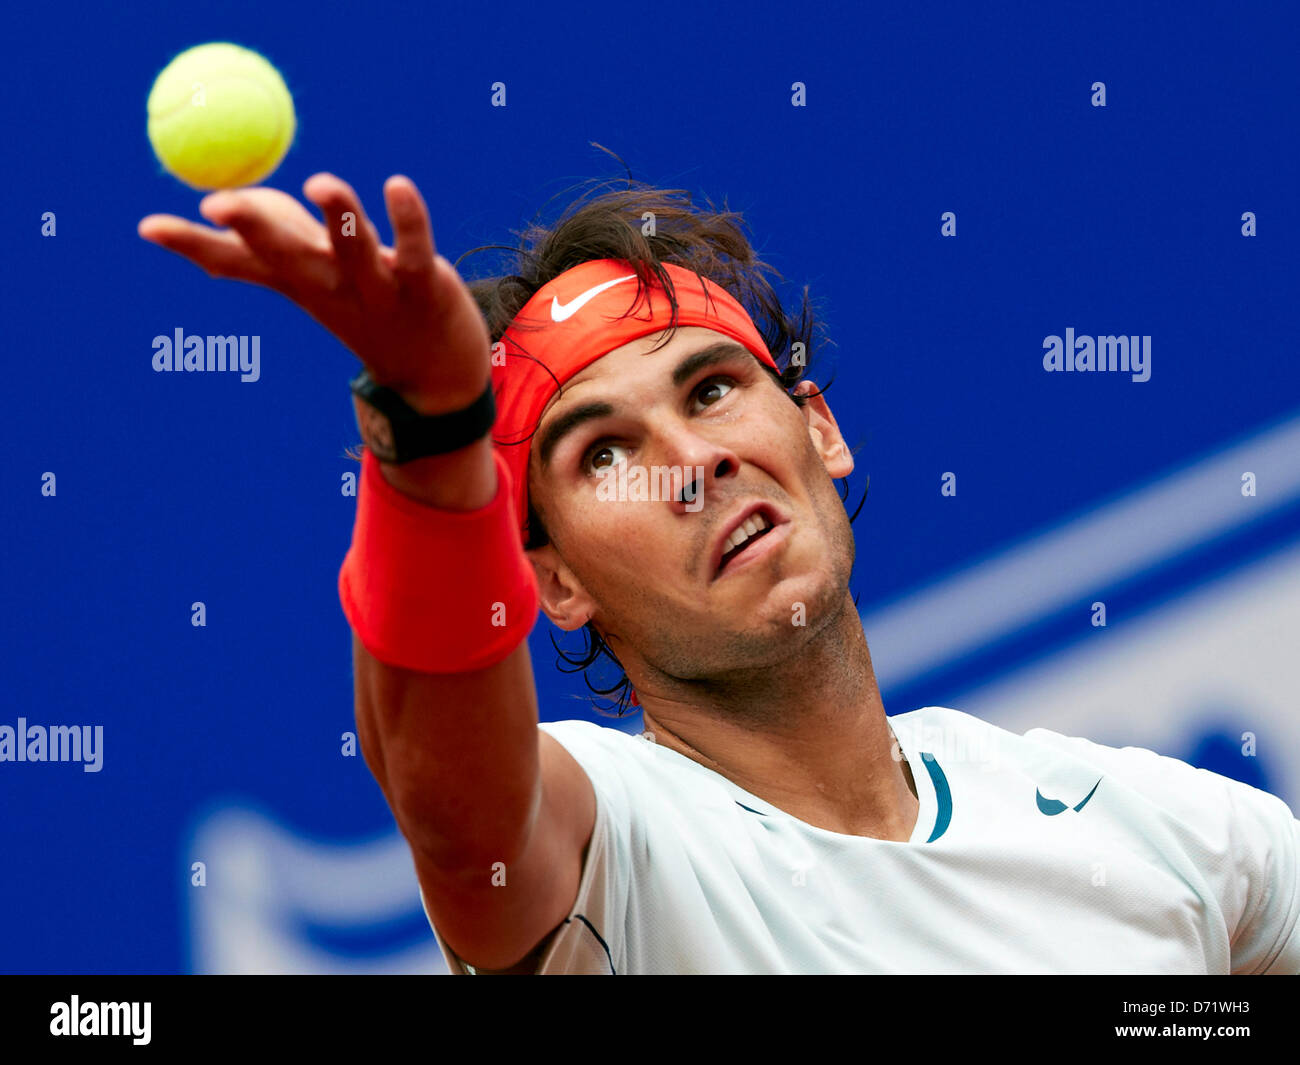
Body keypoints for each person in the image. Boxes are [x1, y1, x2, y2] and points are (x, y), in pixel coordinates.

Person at [139, 170, 1300, 975]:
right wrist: (434, 437)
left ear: (820, 433)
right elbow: (456, 815)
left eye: (709, 390)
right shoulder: (621, 854)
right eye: (604, 453)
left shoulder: (1156, 834)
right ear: (552, 585)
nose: (690, 463)